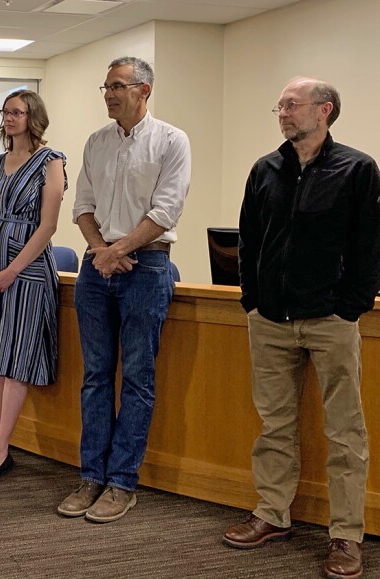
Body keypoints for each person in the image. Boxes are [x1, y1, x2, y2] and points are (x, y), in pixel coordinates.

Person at [223, 77, 380, 579]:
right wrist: (252, 298)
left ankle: (346, 536)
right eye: (281, 106)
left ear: (324, 111)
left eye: (292, 105)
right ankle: (272, 515)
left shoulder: (357, 169)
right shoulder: (265, 169)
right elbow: (246, 239)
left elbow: (369, 247)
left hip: (330, 320)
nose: (283, 113)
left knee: (345, 432)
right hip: (270, 320)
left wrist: (350, 306)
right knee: (275, 426)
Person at [57, 56, 190, 521]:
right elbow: (83, 206)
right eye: (106, 87)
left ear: (144, 90)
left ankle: (121, 484)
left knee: (136, 379)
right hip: (98, 269)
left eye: (118, 86)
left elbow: (166, 211)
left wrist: (120, 250)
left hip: (146, 267)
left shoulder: (172, 141)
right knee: (95, 377)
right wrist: (101, 250)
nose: (110, 94)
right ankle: (90, 476)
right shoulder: (96, 143)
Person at [0, 89, 67, 483]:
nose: (9, 118)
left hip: (27, 272)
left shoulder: (50, 162)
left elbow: (48, 226)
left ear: (33, 117)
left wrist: (12, 270)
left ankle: (3, 447)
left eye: (18, 112)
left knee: (16, 361)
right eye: (6, 112)